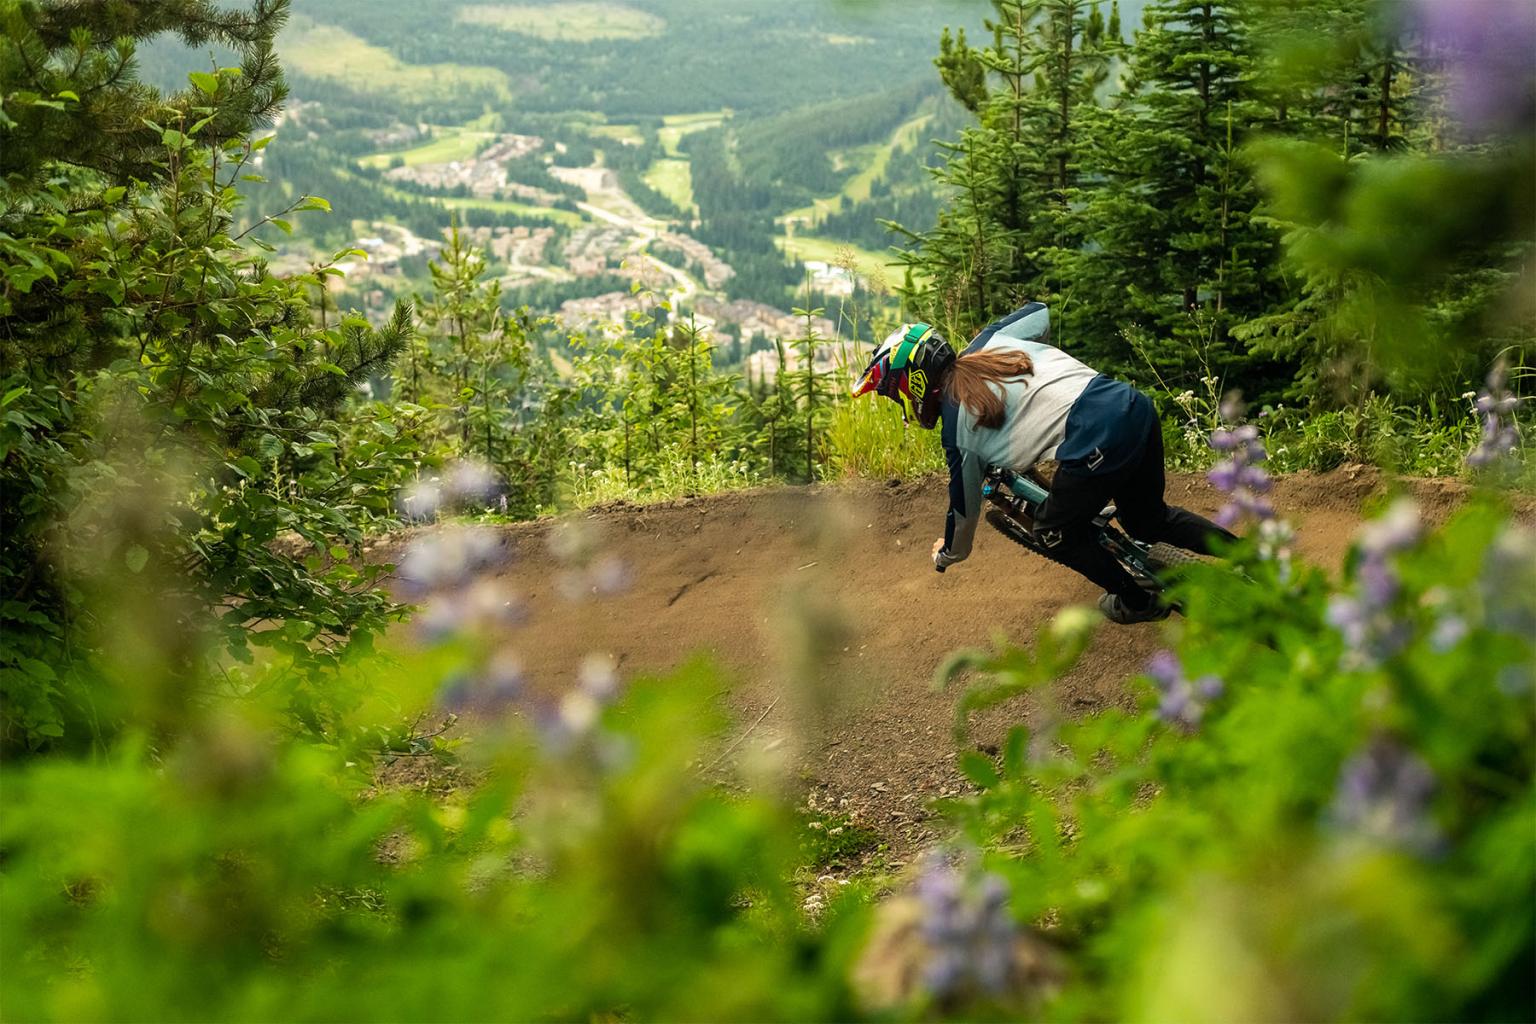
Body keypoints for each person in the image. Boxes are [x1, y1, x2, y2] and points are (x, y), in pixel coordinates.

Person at [851, 303, 1236, 624]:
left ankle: (1138, 602)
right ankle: (1252, 556)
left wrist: (947, 553)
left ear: (913, 384)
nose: (900, 403)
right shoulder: (990, 341)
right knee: (1150, 520)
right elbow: (1040, 313)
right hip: (1131, 406)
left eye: (895, 394)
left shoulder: (956, 431)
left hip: (1096, 442)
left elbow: (963, 513)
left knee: (1053, 532)